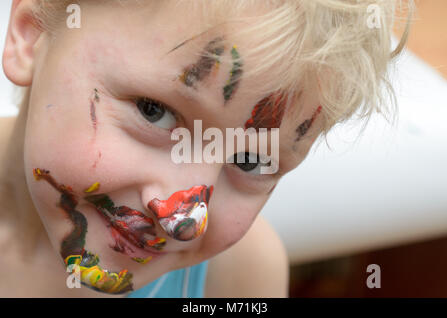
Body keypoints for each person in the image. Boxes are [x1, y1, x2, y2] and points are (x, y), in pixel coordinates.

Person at [0, 0, 411, 297]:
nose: (185, 220)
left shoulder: (239, 276)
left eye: (250, 160)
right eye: (154, 111)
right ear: (32, 29)